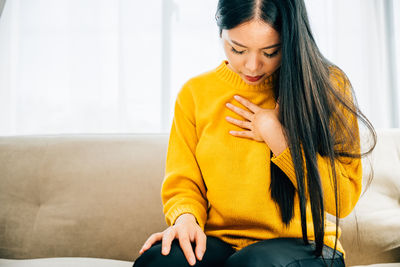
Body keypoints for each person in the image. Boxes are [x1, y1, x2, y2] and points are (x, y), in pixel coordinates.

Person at [133, 0, 376, 266]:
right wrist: (185, 218)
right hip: (223, 243)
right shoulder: (195, 94)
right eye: (237, 49)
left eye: (270, 52)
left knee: (252, 263)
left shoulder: (328, 87)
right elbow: (183, 182)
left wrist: (277, 136)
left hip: (306, 248)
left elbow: (342, 199)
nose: (252, 66)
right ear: (221, 33)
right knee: (157, 262)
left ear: (292, 39)